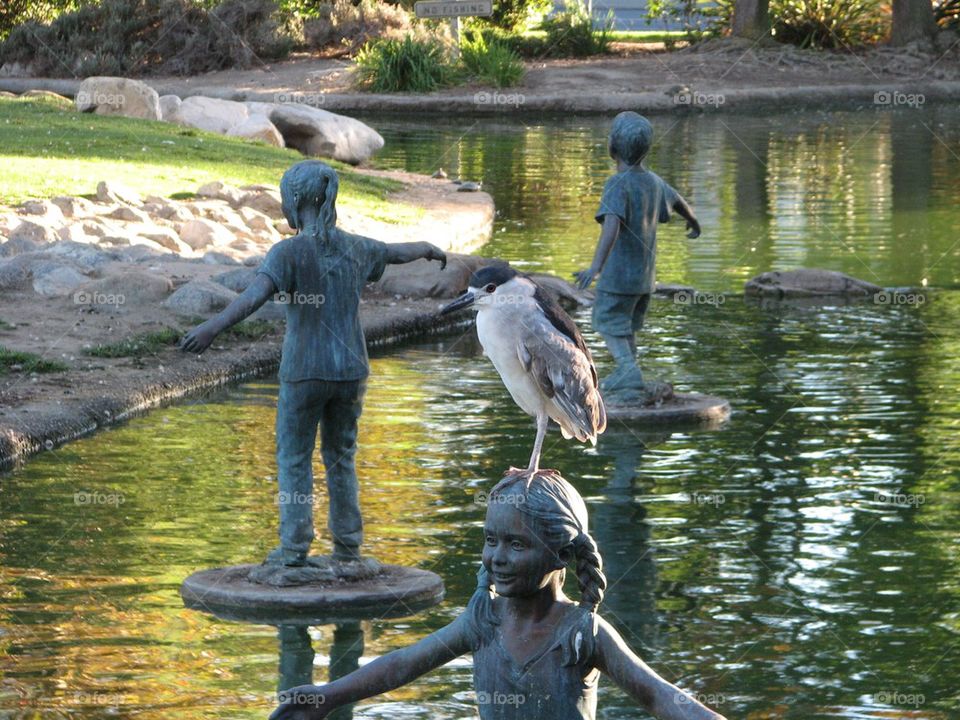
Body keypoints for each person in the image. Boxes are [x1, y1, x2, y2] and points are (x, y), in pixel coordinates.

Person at [269, 471, 727, 720]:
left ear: (562, 554)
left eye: (516, 544)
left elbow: (656, 695)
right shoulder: (483, 621)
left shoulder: (581, 632)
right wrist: (327, 695)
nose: (497, 557)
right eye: (491, 540)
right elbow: (403, 663)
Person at [180, 160, 447, 566]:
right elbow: (394, 253)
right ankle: (348, 545)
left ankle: (294, 547)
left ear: (294, 201)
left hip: (304, 371)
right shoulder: (355, 246)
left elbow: (253, 298)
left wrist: (211, 329)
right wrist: (426, 248)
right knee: (342, 457)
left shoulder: (288, 253)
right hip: (351, 371)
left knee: (293, 458)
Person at [575, 112, 702, 406]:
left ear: (611, 148)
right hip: (645, 280)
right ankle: (631, 378)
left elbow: (611, 226)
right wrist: (694, 222)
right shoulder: (654, 182)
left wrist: (596, 267)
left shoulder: (617, 184)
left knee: (606, 322)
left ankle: (628, 373)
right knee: (626, 327)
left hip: (618, 277)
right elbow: (680, 201)